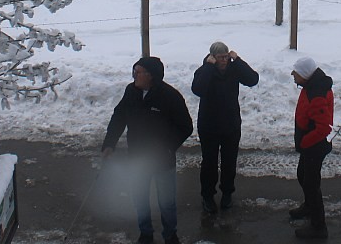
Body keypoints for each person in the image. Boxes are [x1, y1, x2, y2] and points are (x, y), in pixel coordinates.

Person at [102, 55, 194, 244]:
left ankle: (170, 235)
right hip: (137, 158)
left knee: (166, 202)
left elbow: (185, 126)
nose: (134, 76)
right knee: (140, 199)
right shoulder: (131, 92)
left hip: (163, 160)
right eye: (133, 71)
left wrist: (168, 148)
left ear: (151, 75)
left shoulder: (170, 96)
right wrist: (109, 143)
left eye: (138, 72)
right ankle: (146, 234)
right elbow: (119, 117)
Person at [191, 40, 260, 213]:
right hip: (209, 125)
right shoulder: (204, 71)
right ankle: (207, 196)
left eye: (226, 57)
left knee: (229, 162)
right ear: (212, 57)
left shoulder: (234, 69)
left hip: (231, 124)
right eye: (220, 58)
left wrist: (238, 60)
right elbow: (198, 89)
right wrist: (208, 67)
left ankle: (227, 193)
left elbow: (253, 79)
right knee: (209, 163)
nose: (224, 61)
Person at [289, 55, 333, 239]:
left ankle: (318, 227)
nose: (293, 75)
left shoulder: (317, 94)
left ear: (306, 74)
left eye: (296, 72)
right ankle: (309, 206)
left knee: (311, 184)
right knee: (303, 175)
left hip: (315, 145)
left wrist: (305, 142)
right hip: (309, 144)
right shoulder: (310, 85)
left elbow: (324, 128)